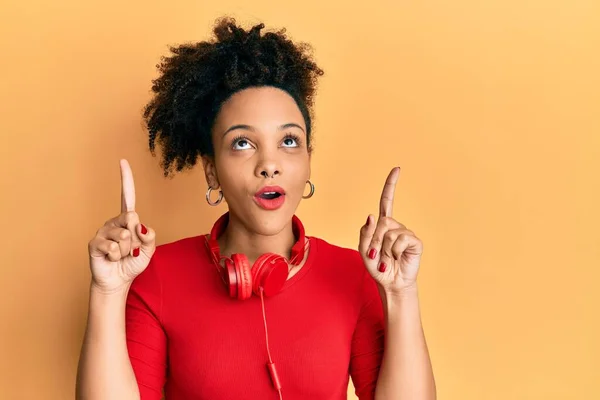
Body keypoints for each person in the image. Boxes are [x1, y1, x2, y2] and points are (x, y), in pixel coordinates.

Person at [75, 17, 436, 400]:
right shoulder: (155, 277)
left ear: (308, 161)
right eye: (243, 143)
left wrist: (400, 294)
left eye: (290, 141)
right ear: (211, 171)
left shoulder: (355, 276)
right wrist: (107, 292)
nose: (270, 163)